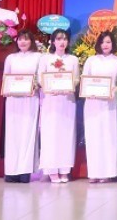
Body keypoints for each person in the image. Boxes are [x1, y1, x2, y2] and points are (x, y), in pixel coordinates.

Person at [38, 29, 79, 183]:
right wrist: (49, 88)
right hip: (51, 100)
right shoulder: (45, 59)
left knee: (66, 134)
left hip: (67, 101)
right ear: (53, 41)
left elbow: (76, 79)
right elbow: (40, 78)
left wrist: (70, 86)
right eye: (59, 39)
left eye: (65, 39)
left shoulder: (73, 59)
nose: (62, 42)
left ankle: (64, 170)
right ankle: (51, 170)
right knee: (51, 134)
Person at [81, 31, 117, 183]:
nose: (105, 45)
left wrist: (113, 91)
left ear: (113, 44)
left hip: (109, 104)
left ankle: (107, 173)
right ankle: (94, 172)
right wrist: (87, 92)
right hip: (92, 103)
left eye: (108, 42)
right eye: (103, 42)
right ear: (98, 44)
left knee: (108, 136)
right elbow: (84, 79)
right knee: (93, 136)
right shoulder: (91, 60)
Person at [2, 29, 41, 183]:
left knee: (28, 133)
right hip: (13, 100)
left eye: (26, 39)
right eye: (20, 39)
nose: (23, 42)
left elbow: (40, 78)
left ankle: (25, 171)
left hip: (30, 100)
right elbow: (5, 78)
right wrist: (7, 89)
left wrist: (35, 86)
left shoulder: (38, 57)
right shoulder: (10, 58)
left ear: (31, 41)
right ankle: (11, 171)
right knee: (12, 134)